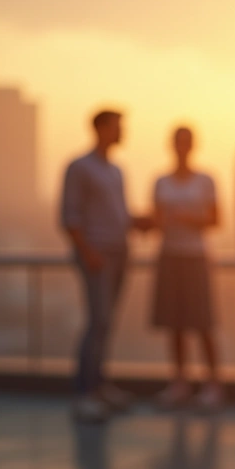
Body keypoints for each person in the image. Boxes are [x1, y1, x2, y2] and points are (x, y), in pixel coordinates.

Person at [60, 109, 154, 423]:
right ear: (101, 129)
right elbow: (69, 216)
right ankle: (84, 393)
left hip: (119, 253)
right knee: (97, 321)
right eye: (117, 127)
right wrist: (88, 252)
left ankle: (99, 386)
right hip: (98, 256)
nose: (121, 132)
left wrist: (139, 222)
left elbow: (118, 215)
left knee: (107, 322)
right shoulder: (79, 168)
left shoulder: (115, 171)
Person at [151, 127, 222, 412]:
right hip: (170, 255)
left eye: (186, 142)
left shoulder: (205, 180)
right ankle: (180, 382)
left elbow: (216, 219)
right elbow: (156, 219)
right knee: (175, 322)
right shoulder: (161, 181)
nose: (182, 147)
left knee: (202, 321)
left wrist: (187, 218)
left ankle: (212, 383)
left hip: (196, 256)